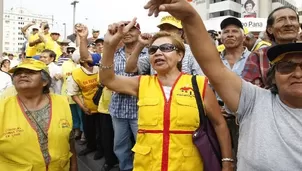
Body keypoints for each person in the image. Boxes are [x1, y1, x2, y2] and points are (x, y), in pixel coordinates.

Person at [143, 0, 302, 170]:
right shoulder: (254, 101)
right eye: (286, 67)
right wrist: (190, 17)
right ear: (273, 77)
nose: (298, 74)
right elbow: (213, 67)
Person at [99, 19, 233, 171]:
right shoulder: (141, 83)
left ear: (180, 55)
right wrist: (109, 46)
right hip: (148, 165)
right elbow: (107, 79)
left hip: (187, 165)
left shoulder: (198, 85)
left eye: (166, 48)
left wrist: (227, 161)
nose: (158, 52)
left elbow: (219, 124)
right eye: (153, 50)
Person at [0, 59, 77, 171]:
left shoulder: (62, 103)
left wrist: (74, 166)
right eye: (18, 73)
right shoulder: (3, 108)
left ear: (44, 81)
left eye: (30, 72)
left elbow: (69, 141)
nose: (22, 75)